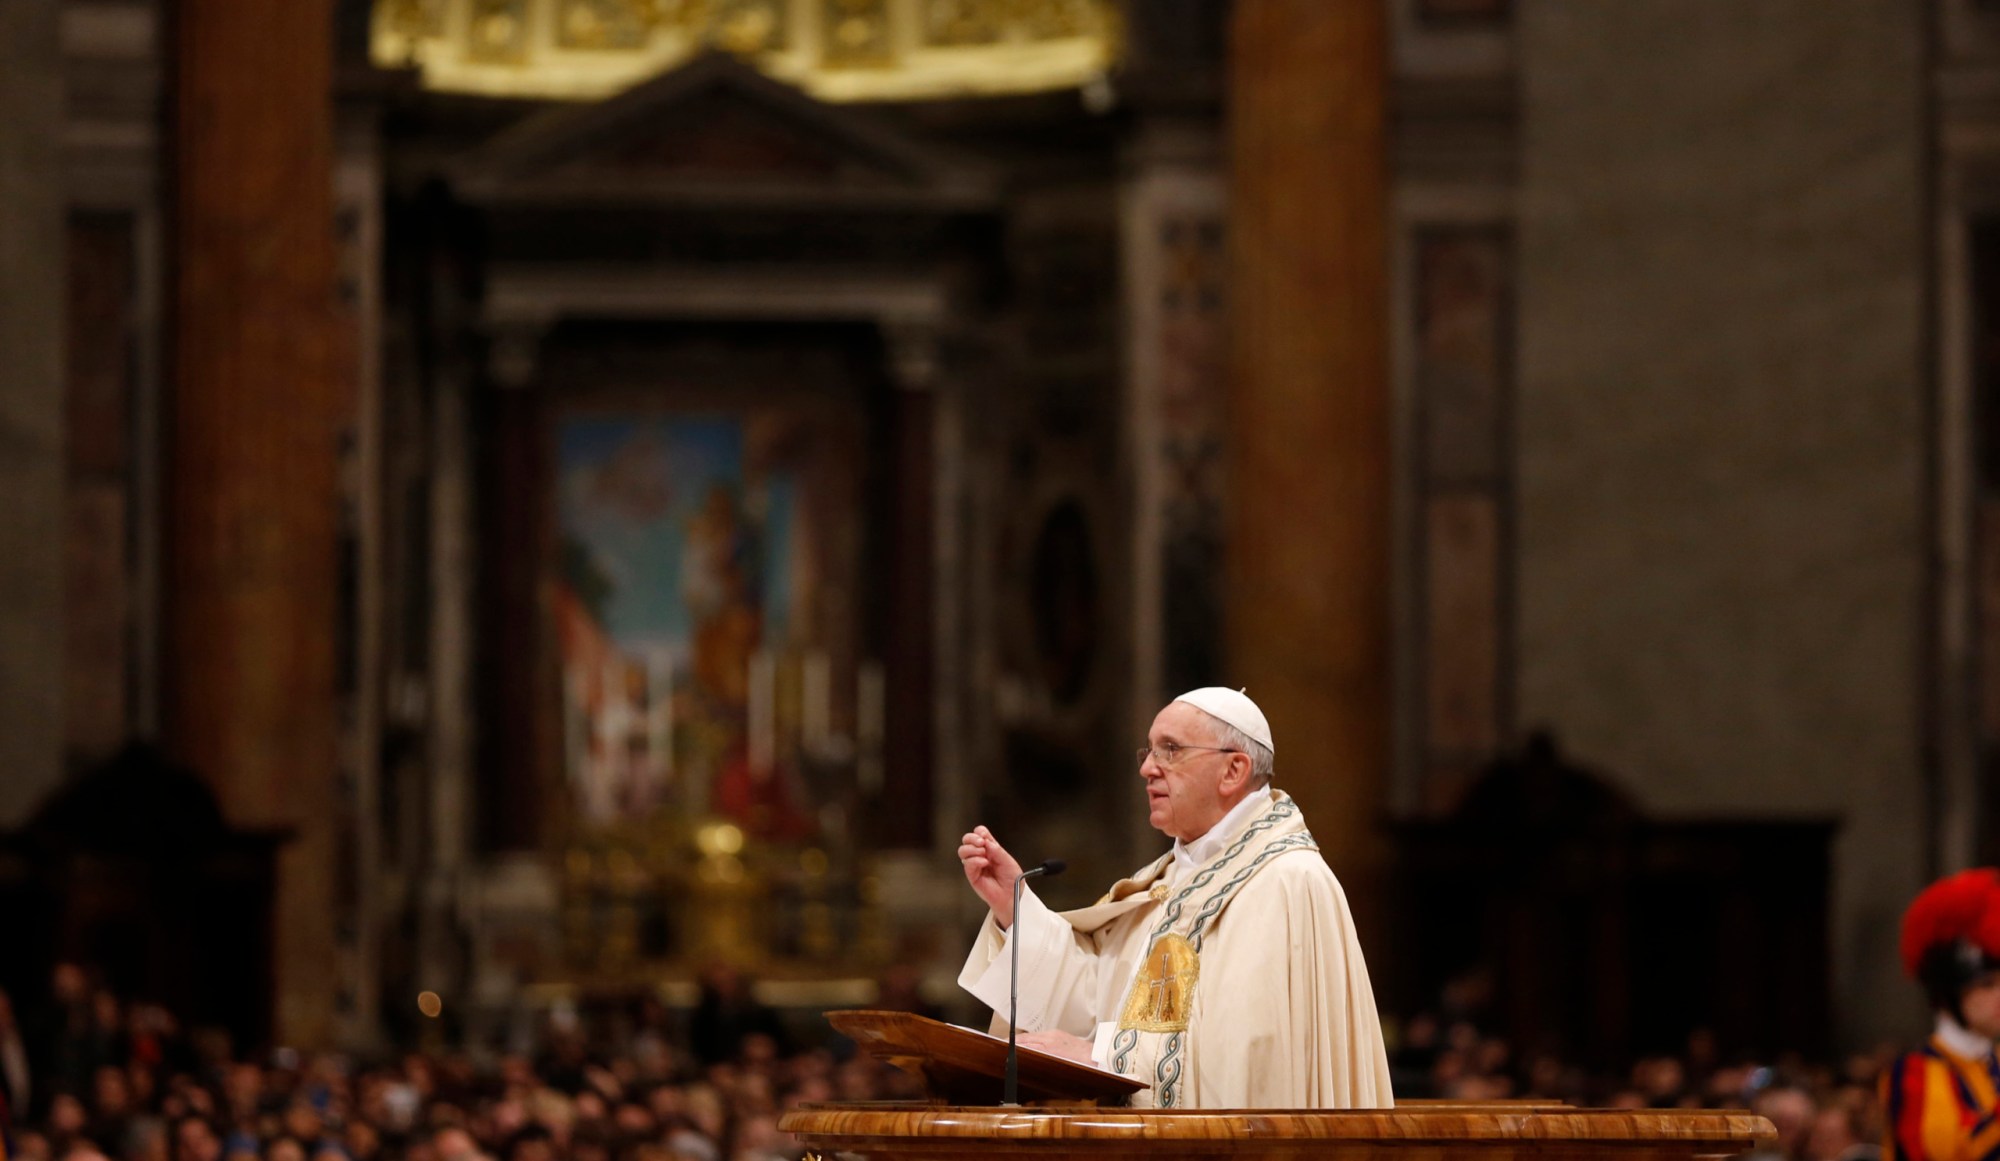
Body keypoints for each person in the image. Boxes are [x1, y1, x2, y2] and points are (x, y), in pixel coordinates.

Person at [955, 687, 1392, 1108]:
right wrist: (1017, 912)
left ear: (1233, 771)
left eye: (1171, 750)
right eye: (1149, 751)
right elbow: (1100, 998)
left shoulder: (1286, 882)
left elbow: (1252, 1058)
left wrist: (1104, 1056)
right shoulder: (1166, 883)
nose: (1148, 769)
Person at [1881, 868, 2000, 1161]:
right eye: (1987, 985)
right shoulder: (1913, 1072)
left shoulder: (1995, 1061)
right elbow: (1944, 1153)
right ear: (1949, 994)